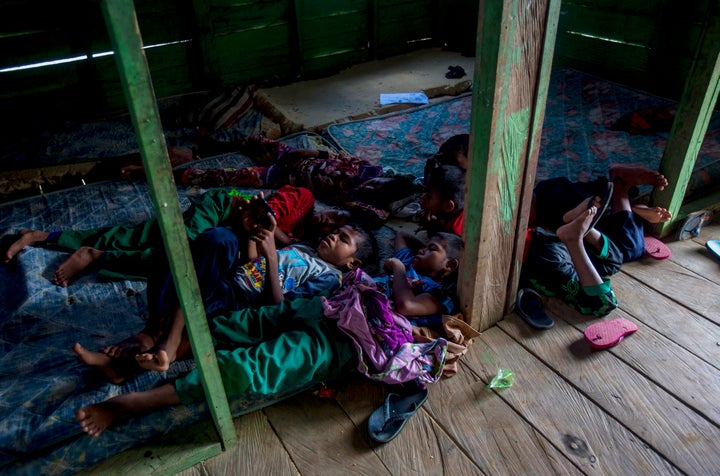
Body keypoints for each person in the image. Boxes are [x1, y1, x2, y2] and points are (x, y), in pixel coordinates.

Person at [73, 218, 376, 380]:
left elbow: (278, 307)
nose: (333, 236)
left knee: (187, 316)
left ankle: (135, 354)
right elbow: (251, 265)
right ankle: (150, 340)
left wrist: (272, 255)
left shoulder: (330, 278)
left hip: (240, 303)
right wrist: (254, 237)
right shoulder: (304, 250)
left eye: (343, 240)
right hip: (231, 281)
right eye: (336, 231)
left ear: (353, 264)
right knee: (196, 253)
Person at [2, 185, 352, 286]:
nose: (329, 227)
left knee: (165, 251)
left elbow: (258, 258)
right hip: (222, 210)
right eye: (333, 220)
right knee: (162, 245)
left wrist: (281, 241)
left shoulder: (308, 252)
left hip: (226, 237)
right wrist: (270, 226)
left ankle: (91, 253)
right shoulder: (303, 200)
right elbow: (267, 210)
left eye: (337, 232)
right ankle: (46, 236)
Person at [521, 164, 670, 317]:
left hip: (549, 206)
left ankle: (580, 226)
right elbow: (605, 295)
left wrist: (576, 239)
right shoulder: (551, 261)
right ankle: (618, 192)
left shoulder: (549, 259)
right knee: (628, 249)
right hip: (554, 210)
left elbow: (603, 302)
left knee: (624, 249)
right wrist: (580, 237)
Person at [373, 230, 463, 329]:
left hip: (378, 317)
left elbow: (406, 306)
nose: (421, 250)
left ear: (450, 264)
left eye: (432, 248)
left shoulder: (440, 294)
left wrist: (398, 268)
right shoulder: (408, 261)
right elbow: (402, 235)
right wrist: (425, 252)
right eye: (424, 247)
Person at [416, 163, 466, 236]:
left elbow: (437, 239)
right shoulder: (460, 206)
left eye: (429, 196)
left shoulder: (454, 231)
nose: (422, 197)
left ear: (448, 206)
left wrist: (430, 225)